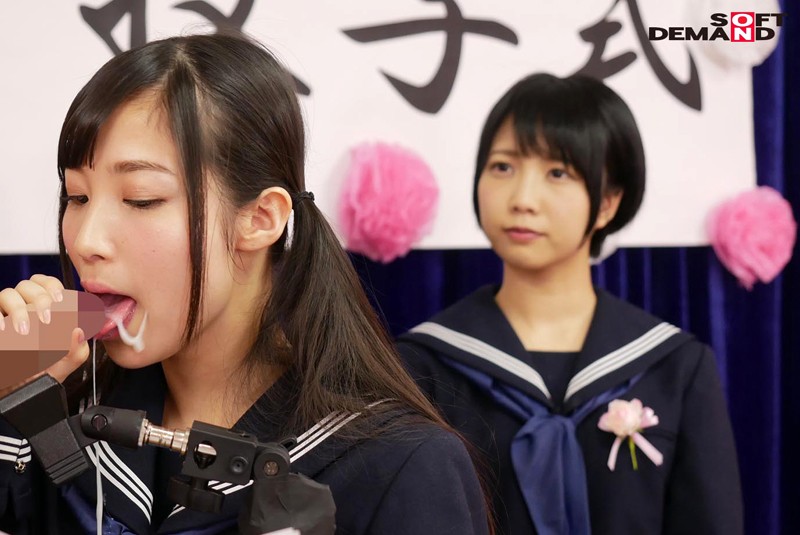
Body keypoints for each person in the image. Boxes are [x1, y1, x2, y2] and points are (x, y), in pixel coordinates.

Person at [0, 32, 490, 534]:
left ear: (259, 218)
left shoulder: (396, 466)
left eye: (141, 199)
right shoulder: (53, 422)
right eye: (77, 197)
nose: (86, 241)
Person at [397, 73, 743, 535]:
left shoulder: (675, 369)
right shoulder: (421, 367)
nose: (522, 199)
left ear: (608, 202)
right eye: (502, 167)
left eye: (557, 173)